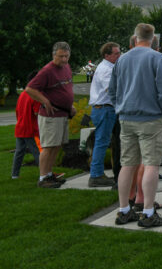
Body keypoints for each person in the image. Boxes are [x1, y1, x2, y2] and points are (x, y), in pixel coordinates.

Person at [109, 23, 162, 228]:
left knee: (127, 164)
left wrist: (120, 107)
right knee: (151, 164)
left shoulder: (122, 60)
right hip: (151, 119)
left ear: (135, 37)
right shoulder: (158, 58)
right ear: (153, 38)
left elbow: (112, 90)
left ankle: (124, 210)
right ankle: (147, 212)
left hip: (126, 118)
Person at [25, 42, 75, 189]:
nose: (64, 59)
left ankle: (49, 174)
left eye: (66, 56)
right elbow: (30, 89)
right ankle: (43, 177)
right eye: (61, 56)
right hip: (50, 116)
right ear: (54, 55)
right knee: (48, 146)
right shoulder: (47, 71)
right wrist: (45, 101)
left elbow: (66, 88)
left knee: (57, 145)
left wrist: (70, 106)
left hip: (63, 113)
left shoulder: (66, 67)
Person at [87, 42, 121, 187]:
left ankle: (98, 173)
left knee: (104, 142)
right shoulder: (106, 70)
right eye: (116, 53)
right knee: (102, 142)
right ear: (107, 55)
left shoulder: (108, 67)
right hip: (105, 109)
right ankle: (96, 175)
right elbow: (111, 90)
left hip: (104, 109)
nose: (119, 56)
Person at [11, 81, 41, 179]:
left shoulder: (23, 94)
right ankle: (45, 174)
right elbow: (37, 113)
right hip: (30, 129)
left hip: (20, 127)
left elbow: (17, 111)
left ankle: (14, 175)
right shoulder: (35, 96)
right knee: (37, 151)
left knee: (19, 152)